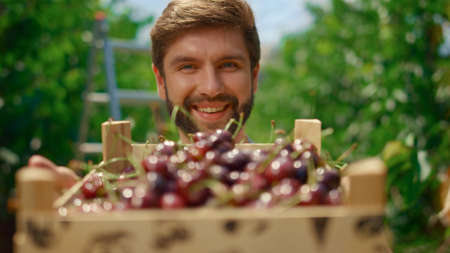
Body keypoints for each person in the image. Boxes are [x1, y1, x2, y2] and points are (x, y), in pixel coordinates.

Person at [29, 0, 261, 188]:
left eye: (228, 65)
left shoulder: (290, 183)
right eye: (188, 66)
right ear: (161, 81)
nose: (211, 88)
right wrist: (84, 198)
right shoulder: (133, 186)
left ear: (254, 76)